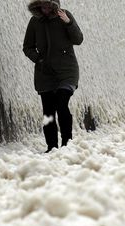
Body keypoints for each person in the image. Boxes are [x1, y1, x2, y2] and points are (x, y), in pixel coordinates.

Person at [23, 0, 83, 152]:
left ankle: (67, 144)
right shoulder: (35, 21)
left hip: (66, 71)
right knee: (48, 112)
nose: (45, 9)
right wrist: (38, 59)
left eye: (48, 5)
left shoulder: (65, 16)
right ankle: (51, 147)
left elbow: (78, 39)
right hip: (45, 73)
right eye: (42, 6)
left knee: (62, 105)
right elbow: (27, 47)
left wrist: (68, 23)